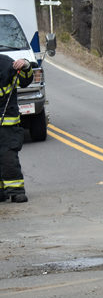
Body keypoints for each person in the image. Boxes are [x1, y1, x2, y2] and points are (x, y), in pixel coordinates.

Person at [0, 55, 34, 202]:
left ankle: (16, 191)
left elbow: (25, 81)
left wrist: (25, 65)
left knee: (8, 158)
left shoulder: (6, 64)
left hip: (7, 124)